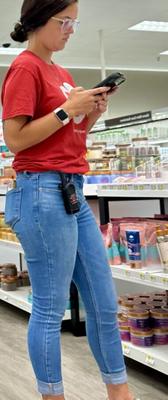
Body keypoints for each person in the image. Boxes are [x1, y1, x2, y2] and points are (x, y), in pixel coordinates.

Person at [1, 1, 140, 400]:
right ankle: (53, 395)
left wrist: (90, 112)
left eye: (75, 24)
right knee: (49, 308)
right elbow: (16, 140)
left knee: (104, 302)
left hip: (70, 191)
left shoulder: (59, 73)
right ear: (39, 19)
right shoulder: (25, 67)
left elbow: (67, 136)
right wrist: (67, 109)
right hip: (42, 192)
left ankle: (119, 392)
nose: (70, 30)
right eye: (65, 22)